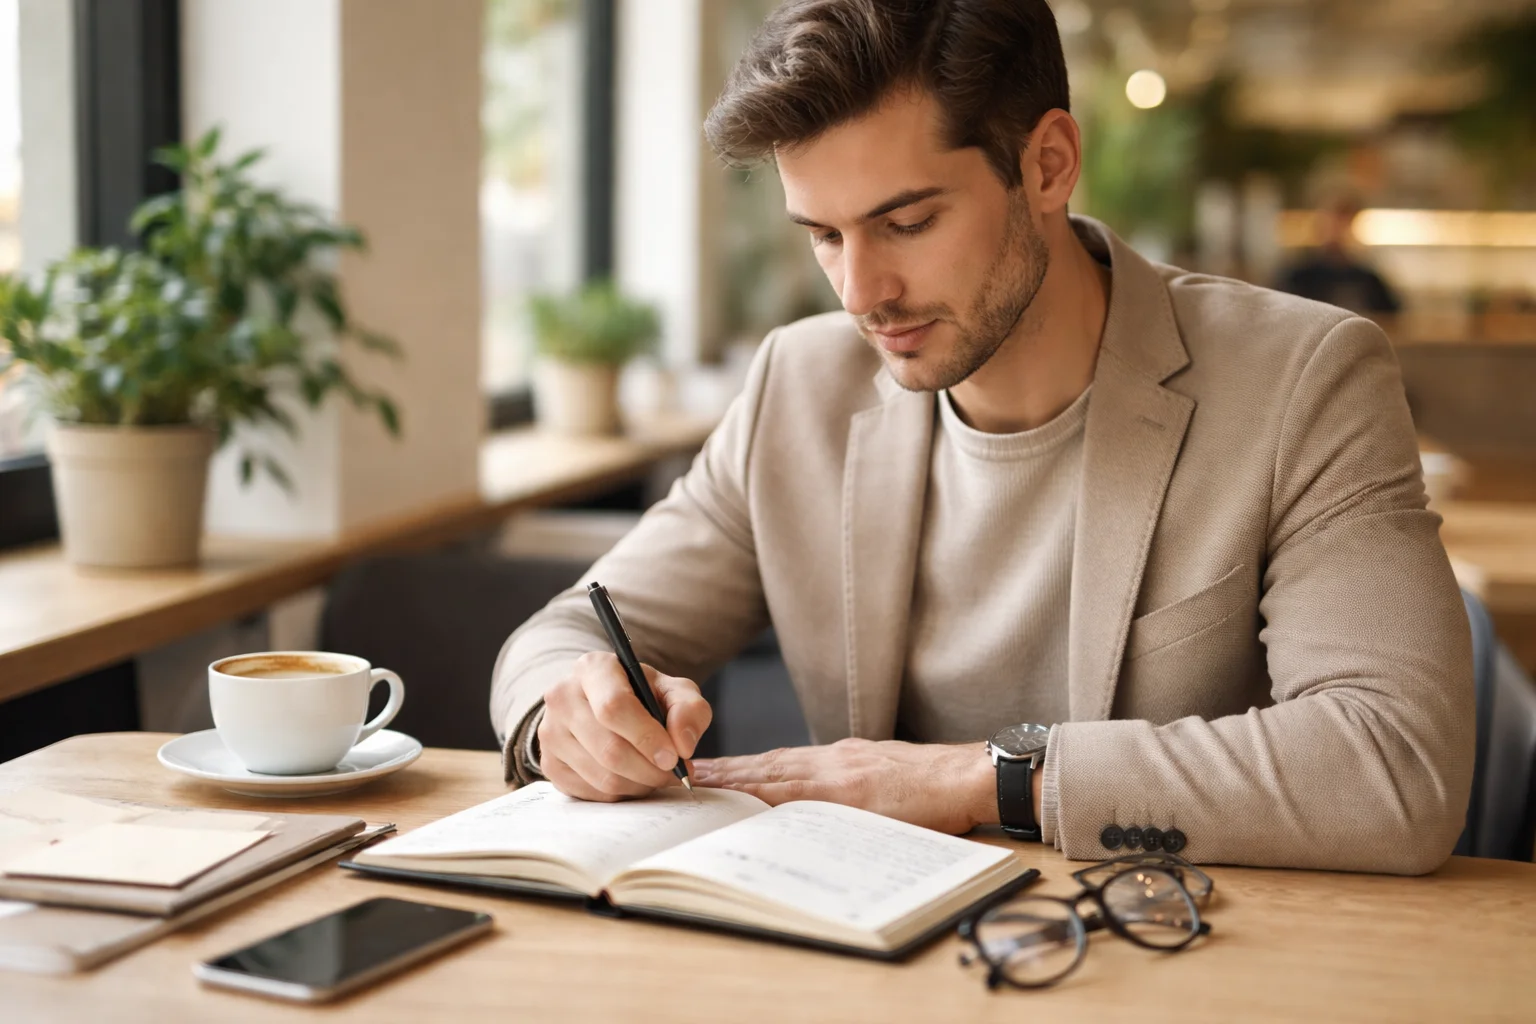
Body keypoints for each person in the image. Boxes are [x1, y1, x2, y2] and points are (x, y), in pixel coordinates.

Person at [491, 0, 1471, 875]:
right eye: (823, 235)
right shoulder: (800, 386)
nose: (858, 292)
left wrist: (982, 780)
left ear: (1048, 164)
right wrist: (566, 719)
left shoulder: (1303, 378)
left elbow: (1396, 762)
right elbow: (563, 635)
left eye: (906, 221)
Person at [1277, 197, 1403, 317]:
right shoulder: (1299, 277)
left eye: (1345, 220)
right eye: (1333, 219)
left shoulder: (1368, 278)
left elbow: (1392, 317)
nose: (1338, 228)